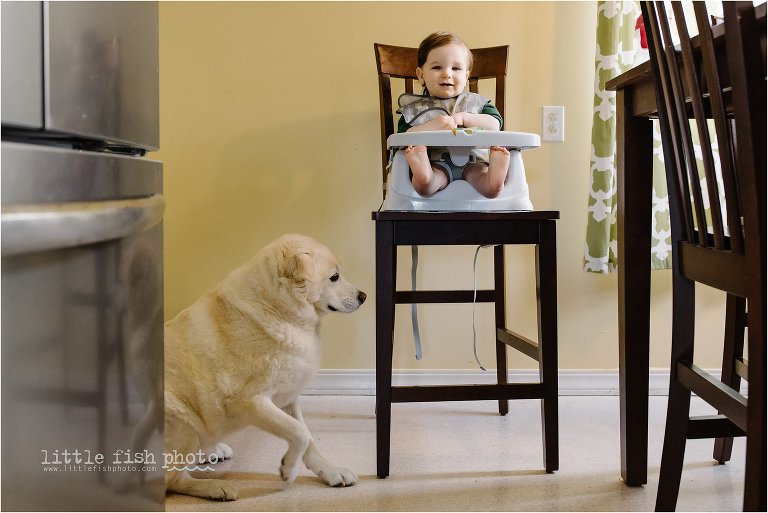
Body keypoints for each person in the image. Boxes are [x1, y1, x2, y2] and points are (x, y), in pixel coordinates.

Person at [397, 31, 510, 198]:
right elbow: (403, 137)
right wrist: (431, 126)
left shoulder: (477, 103)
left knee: (483, 180)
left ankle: (493, 182)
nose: (447, 74)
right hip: (436, 165)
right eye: (437, 67)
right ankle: (424, 178)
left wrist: (465, 118)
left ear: (466, 76)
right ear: (421, 76)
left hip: (475, 162)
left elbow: (495, 125)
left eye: (456, 68)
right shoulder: (415, 109)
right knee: (428, 186)